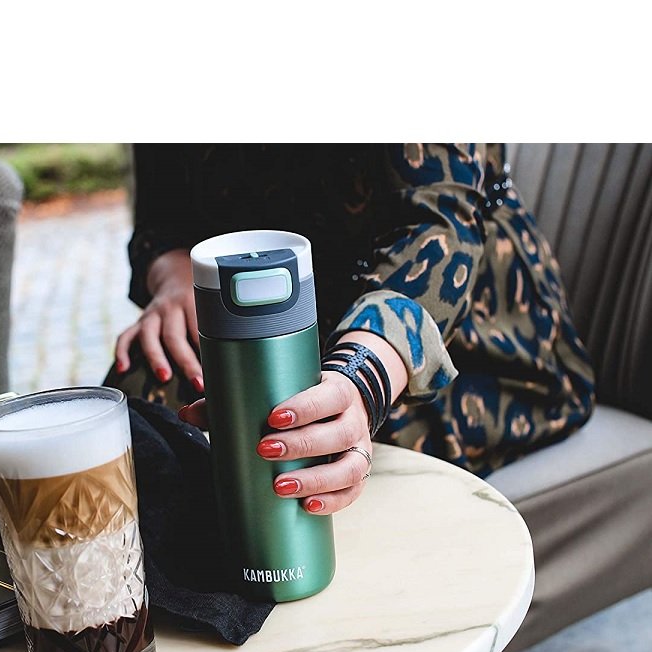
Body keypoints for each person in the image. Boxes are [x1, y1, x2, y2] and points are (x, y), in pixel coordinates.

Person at [104, 144, 595, 515]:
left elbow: (436, 224)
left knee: (300, 455)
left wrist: (362, 380)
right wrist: (174, 276)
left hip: (459, 333)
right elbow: (161, 216)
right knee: (134, 420)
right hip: (270, 315)